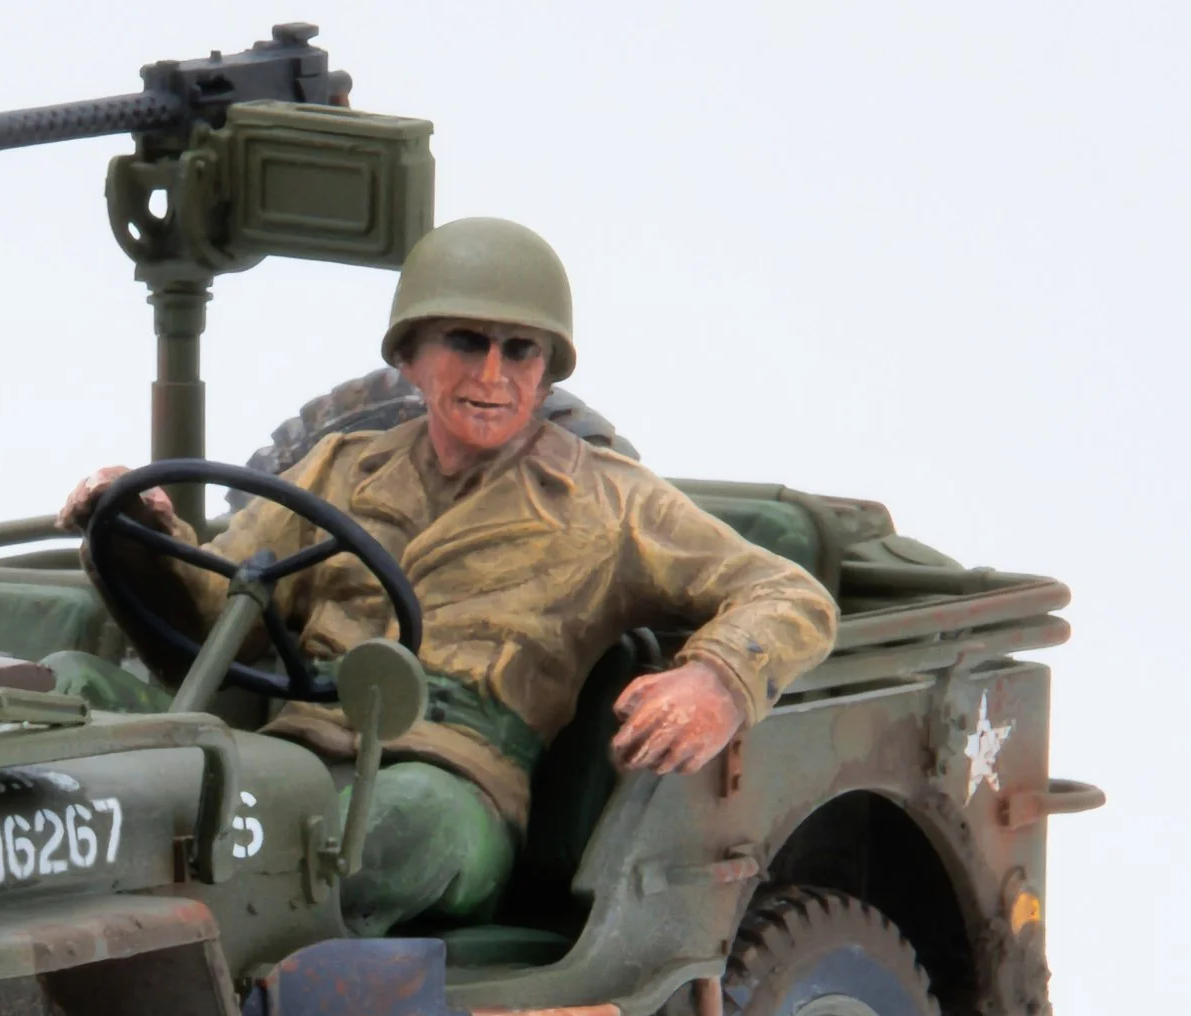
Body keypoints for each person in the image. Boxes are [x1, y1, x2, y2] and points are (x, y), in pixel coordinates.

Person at [59, 217, 838, 934]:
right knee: (59, 695)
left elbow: (787, 592)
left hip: (457, 780)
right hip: (296, 744)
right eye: (466, 342)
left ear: (546, 369)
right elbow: (219, 613)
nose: (493, 373)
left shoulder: (610, 502)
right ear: (410, 357)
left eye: (521, 350)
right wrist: (138, 532)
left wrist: (719, 679)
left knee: (396, 828)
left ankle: (209, 976)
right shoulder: (341, 467)